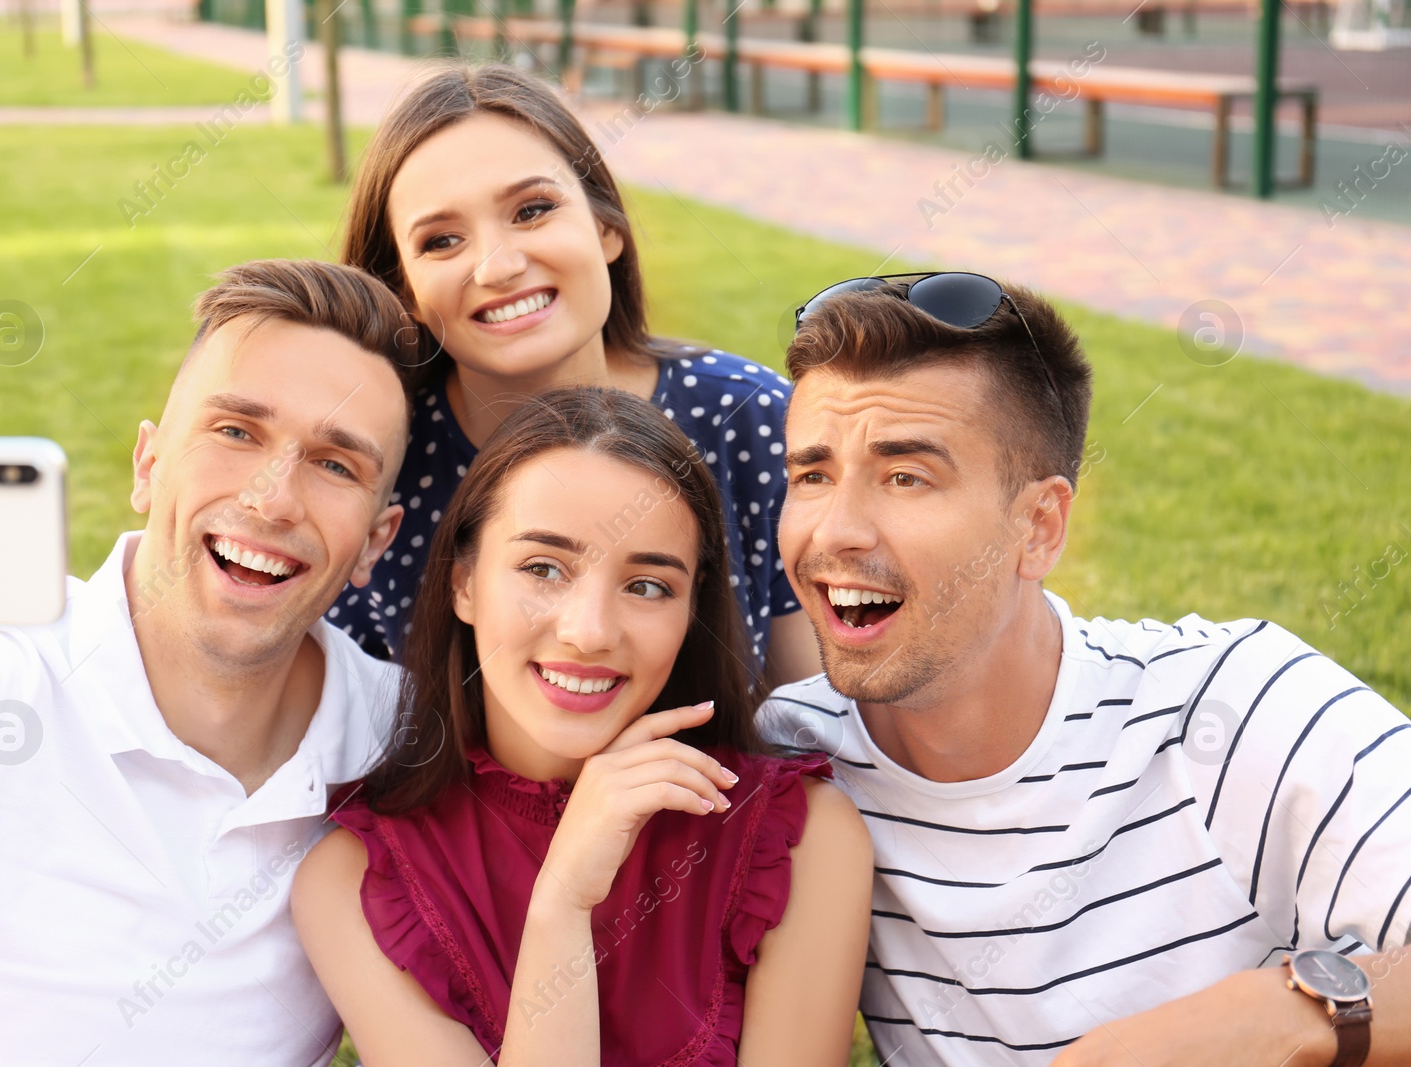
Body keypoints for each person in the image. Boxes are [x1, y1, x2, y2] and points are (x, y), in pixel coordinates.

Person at [758, 272, 1411, 1067]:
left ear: (1039, 526)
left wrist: (1275, 1018)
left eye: (906, 476)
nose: (837, 530)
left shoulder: (1234, 706)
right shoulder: (791, 763)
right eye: (813, 476)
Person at [0, 260, 414, 1065]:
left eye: (336, 464)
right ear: (147, 465)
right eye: (235, 431)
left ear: (377, 539)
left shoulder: (402, 741)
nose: (273, 499)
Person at [292, 387, 872, 1066]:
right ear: (465, 583)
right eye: (543, 568)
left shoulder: (799, 836)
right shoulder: (356, 879)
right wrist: (562, 903)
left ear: (691, 610)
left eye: (648, 585)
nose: (588, 630)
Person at [327, 62, 820, 687]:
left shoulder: (748, 419)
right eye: (442, 241)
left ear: (606, 227)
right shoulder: (376, 461)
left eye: (532, 210)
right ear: (403, 290)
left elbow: (817, 726)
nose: (498, 265)